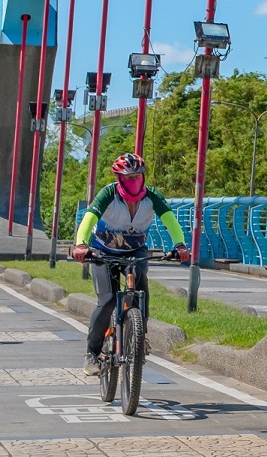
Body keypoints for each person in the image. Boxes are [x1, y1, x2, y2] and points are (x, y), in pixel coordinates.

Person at [71, 151, 188, 374]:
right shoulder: (108, 194)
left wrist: (179, 245)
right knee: (107, 301)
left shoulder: (152, 196)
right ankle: (92, 353)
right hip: (103, 252)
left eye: (138, 176)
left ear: (143, 177)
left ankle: (139, 337)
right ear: (120, 178)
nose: (134, 181)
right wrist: (81, 244)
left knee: (140, 292)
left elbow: (169, 220)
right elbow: (89, 218)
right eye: (129, 177)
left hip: (135, 251)